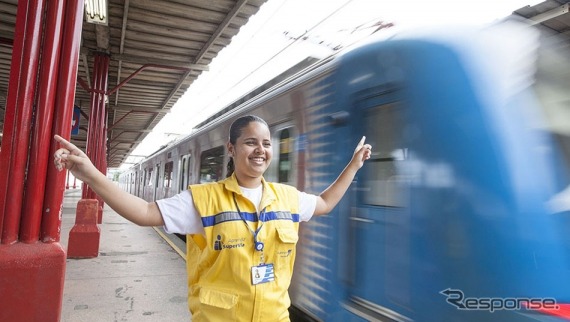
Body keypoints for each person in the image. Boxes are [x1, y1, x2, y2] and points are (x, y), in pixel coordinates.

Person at [54, 115, 372, 322]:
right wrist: (91, 175)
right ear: (231, 149)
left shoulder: (288, 197)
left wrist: (354, 166)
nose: (260, 150)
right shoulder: (204, 199)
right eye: (250, 142)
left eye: (265, 143)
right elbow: (145, 213)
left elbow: (326, 202)